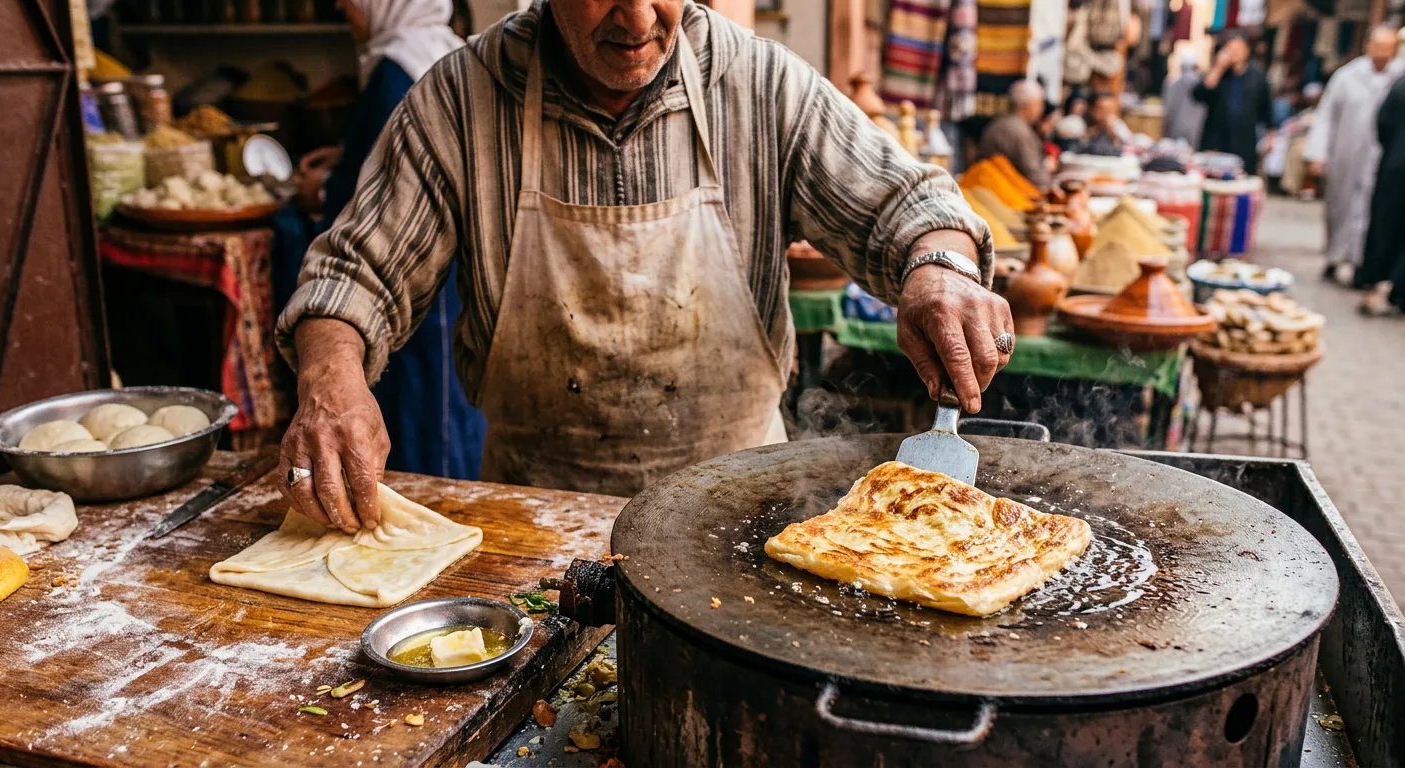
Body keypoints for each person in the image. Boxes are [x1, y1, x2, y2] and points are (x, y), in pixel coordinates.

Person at [274, 0, 1009, 531]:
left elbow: (907, 206)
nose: (635, 20)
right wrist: (330, 381)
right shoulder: (460, 100)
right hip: (536, 524)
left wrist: (939, 268)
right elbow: (355, 277)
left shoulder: (759, 84)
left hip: (741, 521)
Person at [290, 0, 489, 481]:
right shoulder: (441, 50)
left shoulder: (398, 71)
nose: (341, 5)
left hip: (422, 285)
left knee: (429, 404)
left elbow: (369, 193)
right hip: (442, 279)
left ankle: (436, 494)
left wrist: (323, 187)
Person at [1304, 25, 1404, 284]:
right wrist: (1318, 154)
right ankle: (1335, 257)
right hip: (1346, 153)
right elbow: (1326, 117)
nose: (1382, 53)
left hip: (1382, 157)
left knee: (1374, 212)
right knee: (1340, 206)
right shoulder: (1346, 77)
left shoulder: (1399, 77)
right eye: (1378, 46)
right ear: (1368, 45)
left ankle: (1365, 265)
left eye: (1388, 48)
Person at [1356, 69, 1405, 315]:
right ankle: (1397, 291)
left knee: (1384, 225)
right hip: (1396, 162)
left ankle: (1374, 278)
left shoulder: (1399, 85)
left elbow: (1382, 123)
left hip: (1394, 164)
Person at [1195, 32, 1274, 176]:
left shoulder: (1257, 77)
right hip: (1216, 140)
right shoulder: (1218, 74)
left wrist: (1270, 135)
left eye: (1238, 49)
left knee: (1242, 183)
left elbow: (1266, 109)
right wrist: (1218, 68)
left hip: (1244, 141)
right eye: (1230, 49)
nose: (1234, 53)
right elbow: (1198, 95)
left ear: (1246, 50)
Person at [977, 80, 1052, 188]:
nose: (1042, 109)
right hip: (1004, 193)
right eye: (1039, 103)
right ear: (1028, 105)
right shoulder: (1020, 131)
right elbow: (1036, 177)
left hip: (989, 188)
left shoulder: (998, 123)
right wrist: (1046, 169)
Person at [1161, 47, 1207, 148]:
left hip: (1176, 128)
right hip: (1196, 130)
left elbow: (1168, 108)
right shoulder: (1201, 84)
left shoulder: (1172, 83)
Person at [1078, 91, 1128, 155]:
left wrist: (1114, 136)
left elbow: (1125, 149)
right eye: (1103, 109)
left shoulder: (1118, 127)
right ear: (1092, 110)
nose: (1107, 114)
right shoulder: (1080, 124)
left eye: (1111, 110)